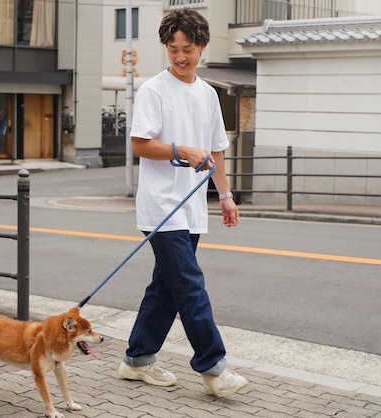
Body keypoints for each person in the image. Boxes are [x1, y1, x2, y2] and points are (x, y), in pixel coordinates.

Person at [117, 8, 248, 398]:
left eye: (187, 48)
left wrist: (225, 195)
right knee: (190, 286)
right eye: (172, 48)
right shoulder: (154, 90)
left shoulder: (208, 94)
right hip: (160, 207)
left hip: (192, 208)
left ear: (202, 47)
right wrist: (181, 151)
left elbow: (217, 151)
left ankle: (137, 360)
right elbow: (139, 143)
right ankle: (213, 366)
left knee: (168, 289)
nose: (179, 56)